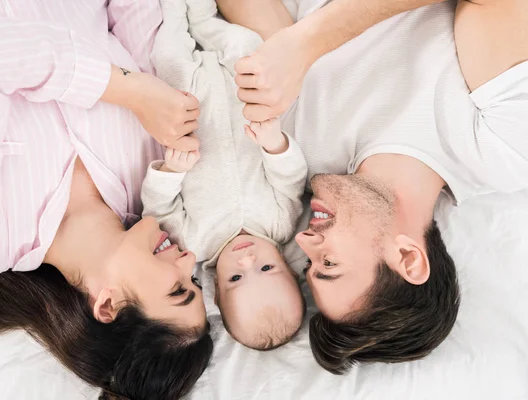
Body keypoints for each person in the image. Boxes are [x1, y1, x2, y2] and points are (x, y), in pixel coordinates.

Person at [222, 0, 528, 374]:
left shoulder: (297, 146)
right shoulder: (499, 151)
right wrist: (310, 41)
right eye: (329, 263)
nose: (302, 242)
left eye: (309, 265)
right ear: (408, 258)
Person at [0, 2, 213, 399]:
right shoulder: (155, 158)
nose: (189, 261)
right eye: (196, 280)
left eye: (178, 290)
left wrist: (126, 89)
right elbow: (137, 15)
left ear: (108, 306)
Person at [141, 0, 306, 351]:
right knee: (247, 47)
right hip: (238, 96)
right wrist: (274, 144)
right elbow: (290, 180)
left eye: (236, 277)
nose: (248, 260)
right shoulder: (279, 224)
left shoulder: (195, 243)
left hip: (189, 103)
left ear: (216, 287)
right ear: (289, 268)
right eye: (266, 269)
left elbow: (158, 210)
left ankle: (172, 11)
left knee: (168, 54)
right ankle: (202, 16)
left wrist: (172, 171)